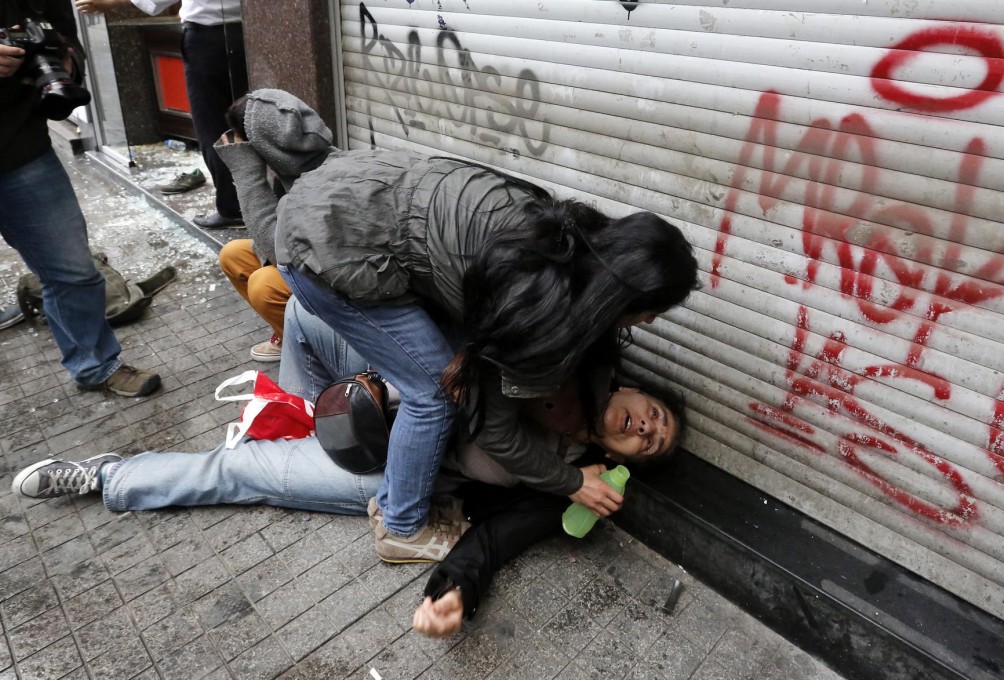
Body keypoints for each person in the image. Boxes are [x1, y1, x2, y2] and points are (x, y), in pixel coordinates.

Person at [215, 88, 700, 562]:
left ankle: (291, 414)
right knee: (431, 392)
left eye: (650, 441)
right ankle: (400, 525)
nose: (650, 321)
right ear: (620, 294)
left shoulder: (570, 244)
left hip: (355, 196)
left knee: (408, 387)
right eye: (652, 309)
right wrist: (572, 484)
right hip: (338, 245)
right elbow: (493, 425)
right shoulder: (551, 317)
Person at [11, 299, 684, 637]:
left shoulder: (573, 478)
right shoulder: (566, 357)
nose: (647, 428)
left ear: (622, 460)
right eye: (654, 414)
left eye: (651, 444)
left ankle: (110, 477)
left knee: (243, 474)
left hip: (394, 475)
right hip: (390, 397)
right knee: (304, 305)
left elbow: (495, 541)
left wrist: (452, 591)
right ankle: (295, 412)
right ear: (631, 389)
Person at [0, 0, 161, 397]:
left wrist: (65, 59)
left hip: (21, 149)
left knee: (72, 270)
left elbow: (65, 36)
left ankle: (95, 365)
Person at [75, 0, 248, 229]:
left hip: (209, 37)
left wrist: (110, 3)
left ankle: (233, 207)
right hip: (246, 32)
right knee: (246, 117)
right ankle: (260, 199)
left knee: (212, 125)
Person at [214, 91, 333, 361]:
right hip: (310, 263)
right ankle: (288, 333)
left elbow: (279, 253)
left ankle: (318, 355)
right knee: (234, 255)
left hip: (338, 287)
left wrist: (245, 170)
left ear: (264, 145)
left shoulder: (319, 180)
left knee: (264, 285)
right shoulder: (295, 164)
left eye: (244, 142)